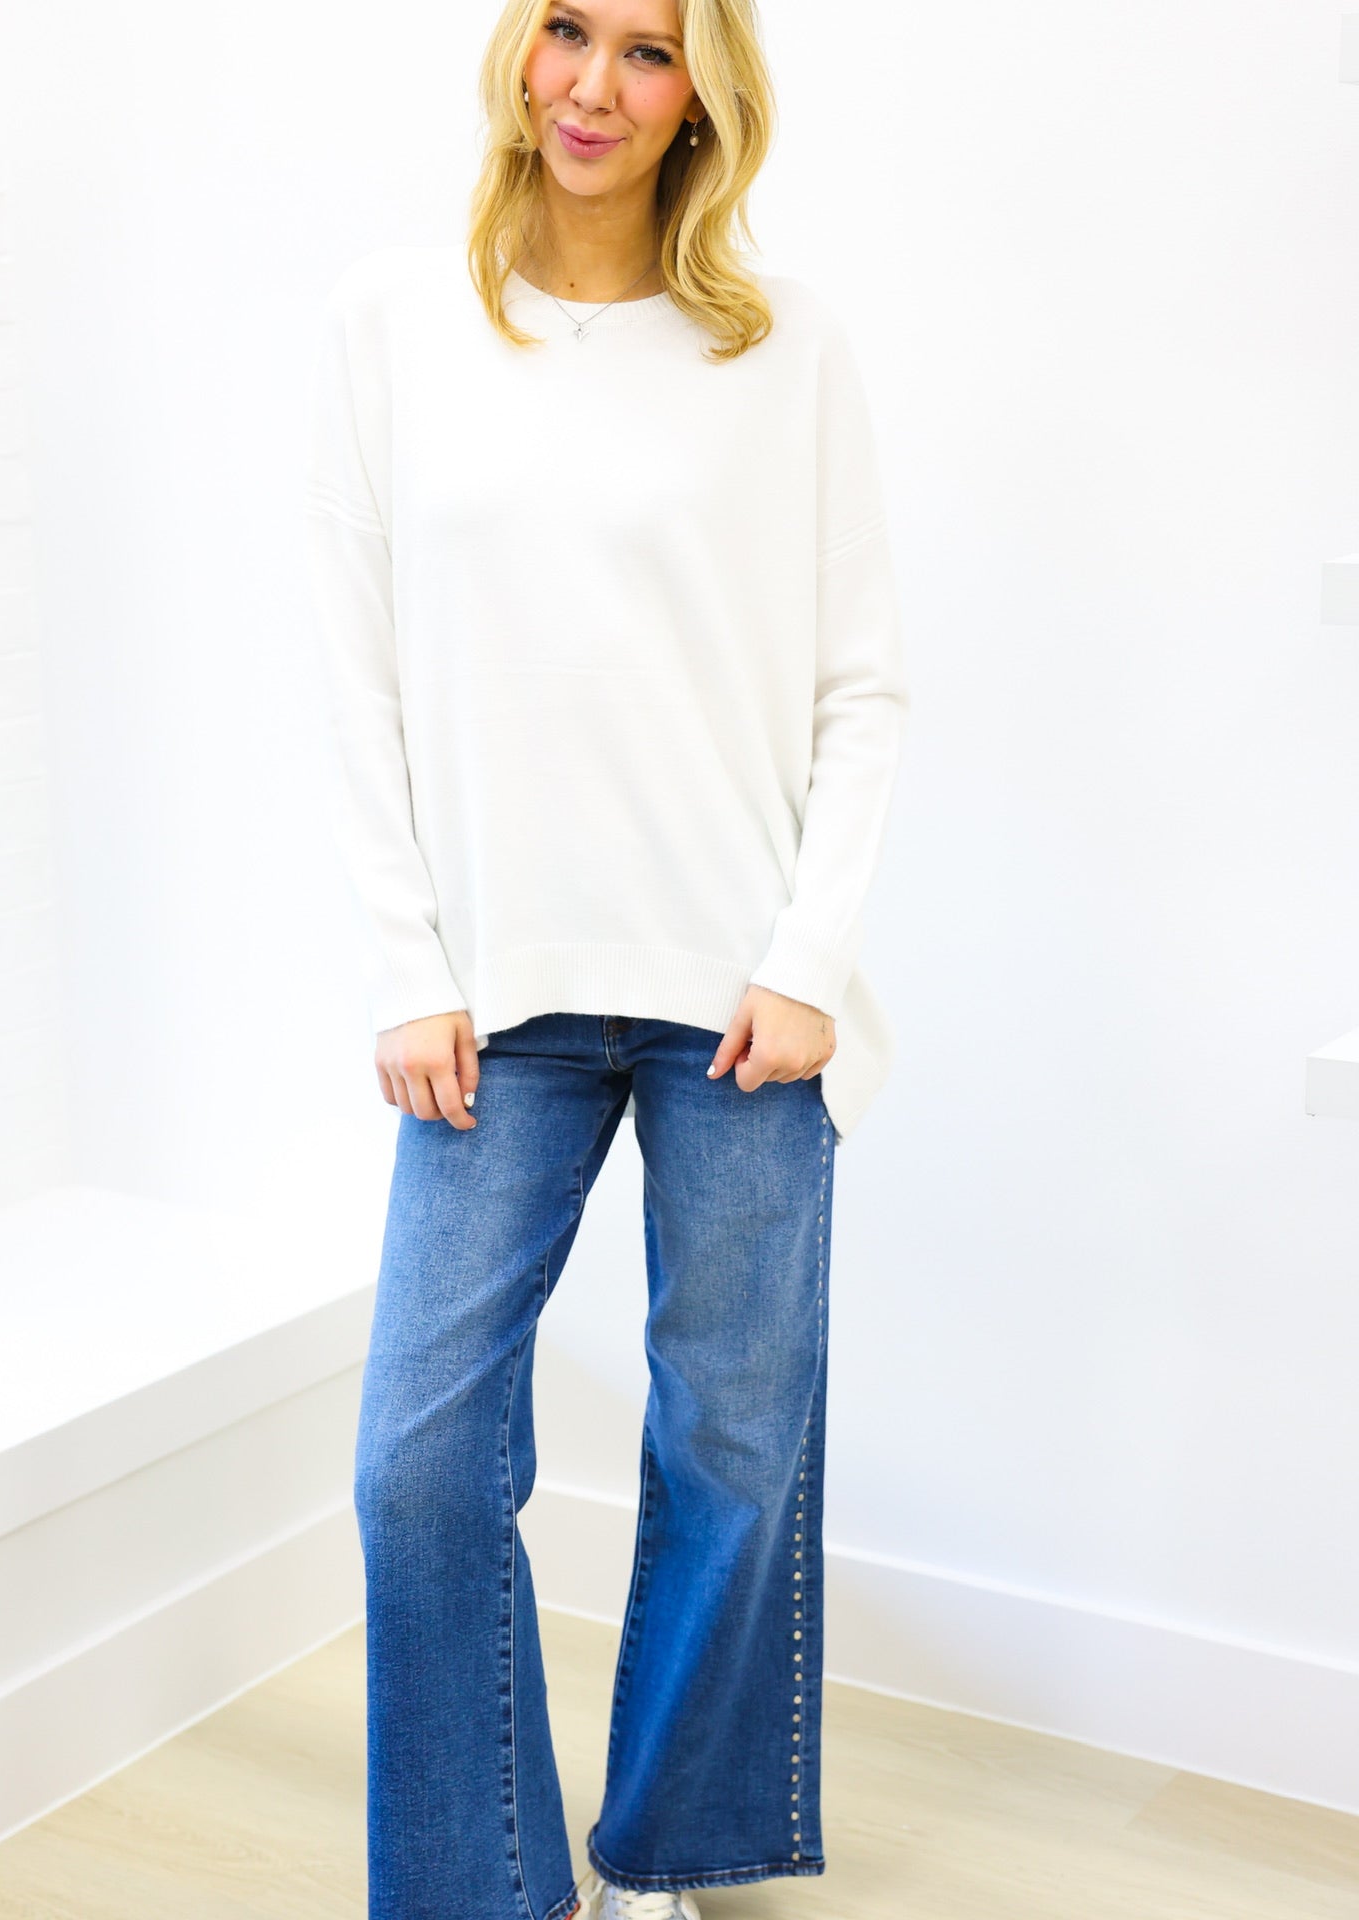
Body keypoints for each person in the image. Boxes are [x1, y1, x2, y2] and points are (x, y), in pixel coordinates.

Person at [302, 2, 909, 1915]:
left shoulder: (785, 346)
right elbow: (353, 680)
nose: (592, 84)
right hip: (497, 1001)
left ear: (708, 92)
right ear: (516, 51)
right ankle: (483, 1888)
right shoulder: (397, 323)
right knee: (419, 1463)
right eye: (566, 28)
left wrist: (812, 951)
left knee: (732, 1443)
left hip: (745, 994)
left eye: (649, 52)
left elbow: (861, 684)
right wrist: (406, 962)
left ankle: (670, 1844)